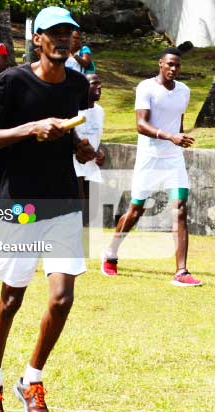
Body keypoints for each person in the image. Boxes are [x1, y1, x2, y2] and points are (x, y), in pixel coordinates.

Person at [0, 7, 98, 412]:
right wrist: (30, 129)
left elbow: (70, 126)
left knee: (62, 299)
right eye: (55, 33)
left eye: (70, 34)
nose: (64, 39)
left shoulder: (77, 85)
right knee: (11, 299)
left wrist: (78, 145)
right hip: (20, 206)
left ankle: (31, 379)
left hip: (62, 201)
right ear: (37, 40)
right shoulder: (11, 82)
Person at [102, 47, 200, 286]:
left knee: (180, 208)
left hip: (173, 158)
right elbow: (140, 124)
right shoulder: (146, 88)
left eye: (177, 65)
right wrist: (170, 136)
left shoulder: (184, 91)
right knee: (136, 210)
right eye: (170, 64)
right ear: (160, 64)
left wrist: (181, 138)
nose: (173, 69)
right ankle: (111, 253)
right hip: (149, 159)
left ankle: (181, 272)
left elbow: (179, 121)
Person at [73, 73, 105, 184]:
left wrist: (99, 150)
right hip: (76, 166)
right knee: (80, 201)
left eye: (100, 84)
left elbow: (97, 138)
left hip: (92, 168)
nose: (99, 87)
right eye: (94, 84)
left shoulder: (100, 111)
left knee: (92, 201)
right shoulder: (73, 110)